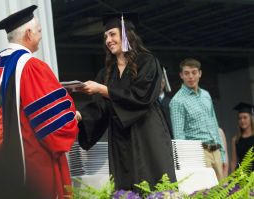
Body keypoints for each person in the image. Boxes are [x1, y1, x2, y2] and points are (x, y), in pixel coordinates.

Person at [0, 5, 78, 199]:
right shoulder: (32, 66)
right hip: (33, 161)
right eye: (39, 31)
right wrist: (73, 118)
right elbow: (54, 125)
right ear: (28, 33)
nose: (41, 35)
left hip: (3, 163)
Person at [76, 13, 176, 190]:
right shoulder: (106, 72)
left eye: (112, 34)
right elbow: (100, 107)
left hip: (147, 133)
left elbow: (141, 96)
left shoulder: (147, 61)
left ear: (126, 34)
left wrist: (103, 90)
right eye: (105, 36)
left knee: (155, 185)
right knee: (126, 187)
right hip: (121, 139)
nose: (108, 40)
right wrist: (80, 115)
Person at [169, 58, 226, 181]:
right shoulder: (177, 101)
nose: (191, 76)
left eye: (194, 72)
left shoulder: (206, 95)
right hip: (198, 154)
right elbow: (179, 136)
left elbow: (214, 124)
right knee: (205, 192)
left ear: (200, 73)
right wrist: (186, 164)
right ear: (181, 75)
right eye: (187, 73)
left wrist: (223, 155)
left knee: (223, 192)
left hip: (216, 150)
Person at [230, 102, 254, 172]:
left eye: (245, 117)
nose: (242, 120)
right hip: (241, 174)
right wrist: (232, 178)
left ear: (250, 118)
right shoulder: (235, 139)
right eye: (239, 118)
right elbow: (234, 161)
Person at [158, 75, 173, 139]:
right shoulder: (147, 104)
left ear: (165, 82)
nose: (159, 83)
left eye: (162, 80)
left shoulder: (172, 103)